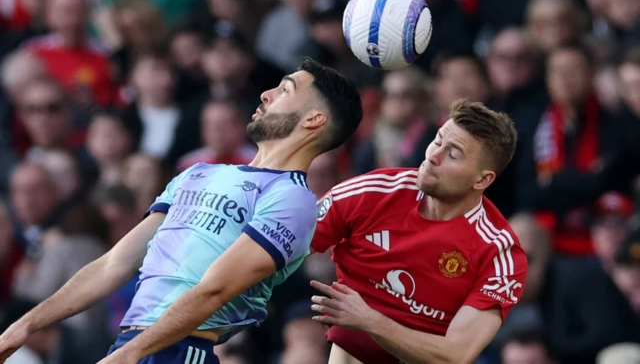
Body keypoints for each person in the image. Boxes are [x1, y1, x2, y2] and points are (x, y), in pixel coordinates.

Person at [0, 58, 363, 364]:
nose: (266, 94)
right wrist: (24, 326)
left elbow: (214, 291)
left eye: (285, 90)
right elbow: (115, 263)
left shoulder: (292, 199)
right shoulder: (198, 172)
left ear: (314, 120)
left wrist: (128, 355)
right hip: (133, 345)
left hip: (180, 350)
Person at [309, 100, 528, 364]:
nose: (433, 156)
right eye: (437, 141)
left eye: (453, 154)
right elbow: (281, 247)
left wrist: (368, 320)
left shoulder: (499, 253)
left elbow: (454, 355)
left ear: (482, 180)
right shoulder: (372, 193)